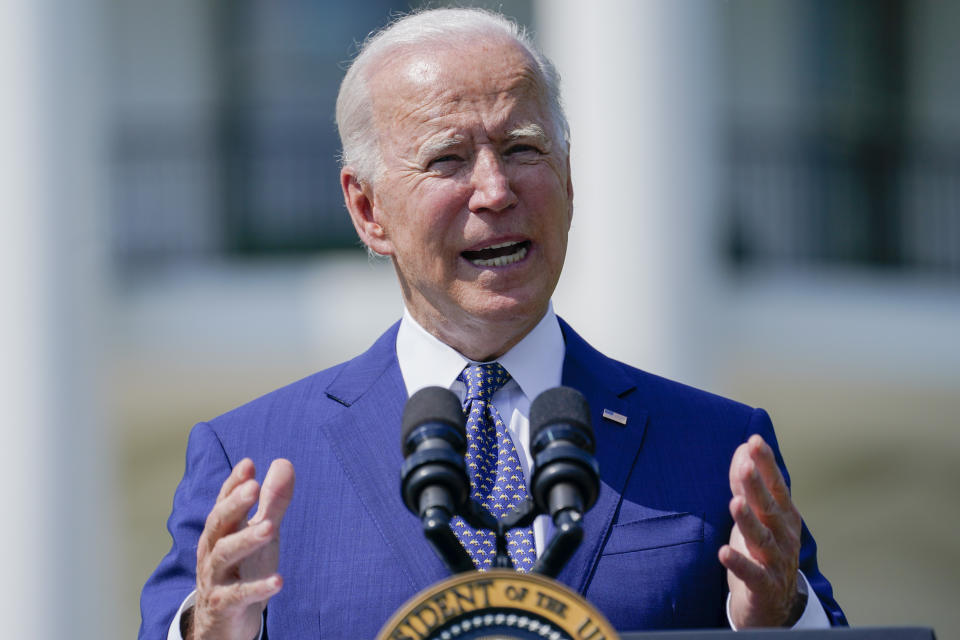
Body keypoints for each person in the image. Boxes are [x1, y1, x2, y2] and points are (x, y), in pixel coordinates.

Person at [139, 8, 846, 639]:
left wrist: (780, 622)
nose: (496, 190)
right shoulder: (251, 462)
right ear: (368, 210)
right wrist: (212, 631)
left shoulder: (717, 448)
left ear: (568, 175)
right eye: (448, 159)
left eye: (523, 149)